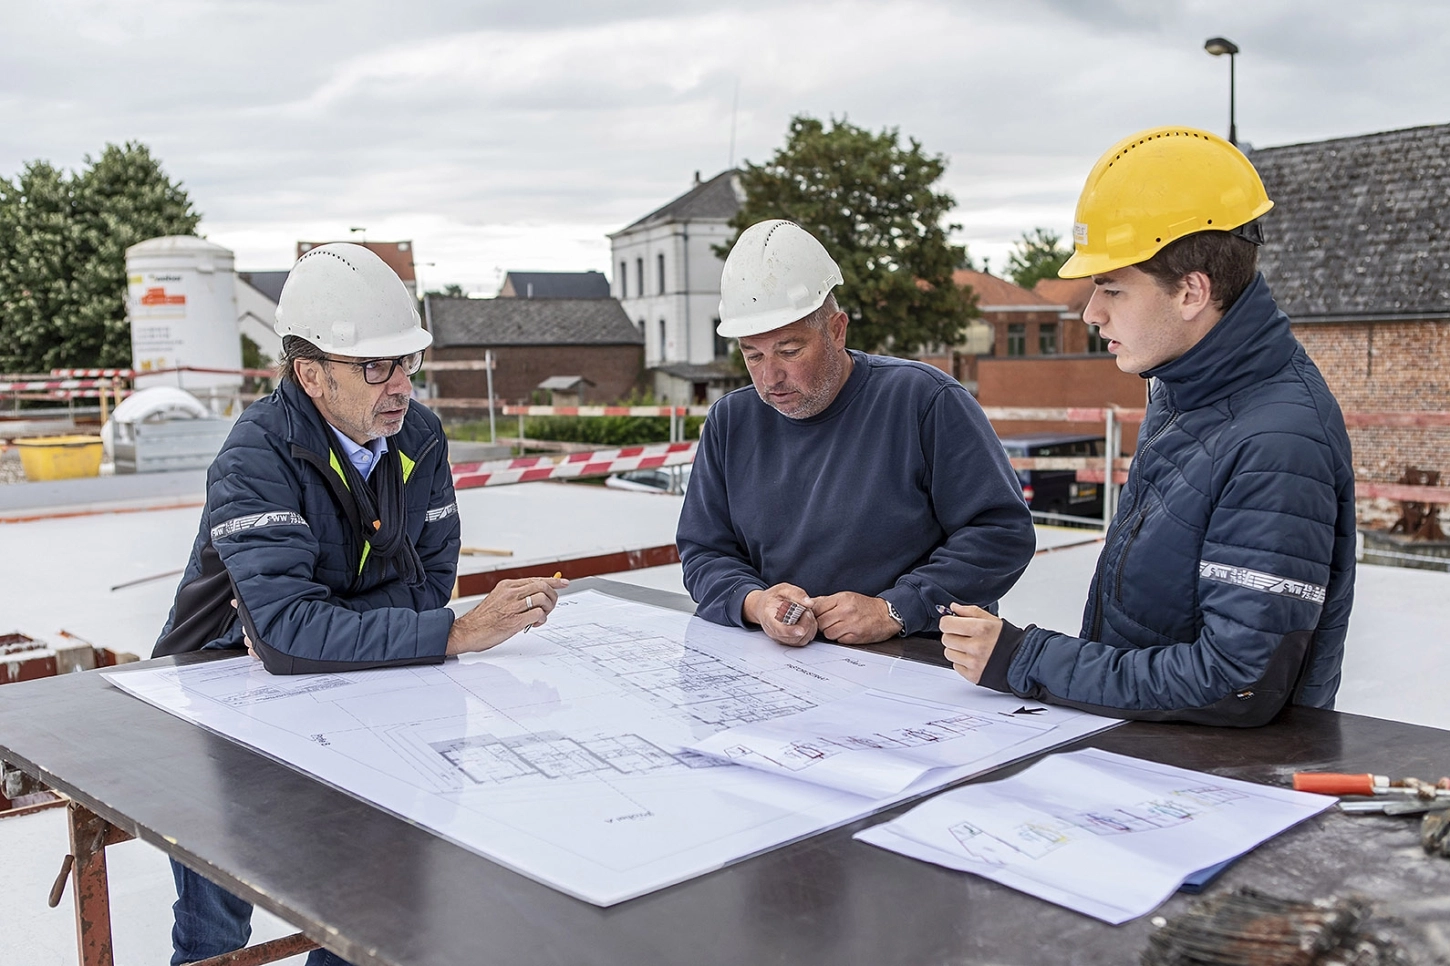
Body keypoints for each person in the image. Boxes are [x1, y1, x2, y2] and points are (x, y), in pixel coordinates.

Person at [152, 243, 566, 965]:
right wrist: (451, 633)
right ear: (310, 374)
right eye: (377, 366)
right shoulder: (256, 458)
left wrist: (331, 624)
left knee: (367, 901)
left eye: (407, 361)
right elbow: (284, 636)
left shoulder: (420, 437)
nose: (401, 384)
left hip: (355, 689)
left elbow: (426, 582)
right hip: (220, 701)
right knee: (217, 929)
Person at [940, 126, 1356, 726]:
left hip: (1216, 788)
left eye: (1112, 288)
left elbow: (1238, 684)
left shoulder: (1278, 442)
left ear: (1191, 291)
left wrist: (1024, 658)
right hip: (1148, 752)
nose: (1091, 313)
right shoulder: (1185, 386)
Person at [677, 219, 1035, 647]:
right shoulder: (730, 421)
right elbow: (704, 551)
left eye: (789, 351)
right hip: (783, 666)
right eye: (753, 356)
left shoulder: (923, 400)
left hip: (921, 663)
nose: (770, 376)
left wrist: (896, 608)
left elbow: (1001, 533)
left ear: (836, 330)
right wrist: (754, 603)